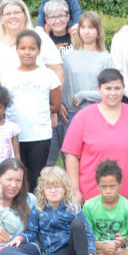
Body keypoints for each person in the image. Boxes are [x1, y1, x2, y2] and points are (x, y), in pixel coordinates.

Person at [62, 68, 128, 223]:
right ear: (98, 89)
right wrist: (75, 190)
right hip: (93, 194)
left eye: (117, 88)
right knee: (95, 244)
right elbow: (71, 155)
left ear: (124, 89)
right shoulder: (83, 117)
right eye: (108, 88)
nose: (113, 93)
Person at [6, 166, 96, 255]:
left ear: (65, 189)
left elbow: (88, 235)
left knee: (78, 224)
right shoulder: (38, 210)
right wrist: (20, 238)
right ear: (43, 190)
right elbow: (31, 232)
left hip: (74, 252)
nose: (53, 191)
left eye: (57, 187)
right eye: (49, 187)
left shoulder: (73, 208)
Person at [49, 11, 115, 166]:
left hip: (97, 114)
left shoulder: (105, 57)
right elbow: (61, 83)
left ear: (98, 31)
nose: (86, 31)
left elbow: (112, 92)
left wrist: (85, 95)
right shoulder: (68, 56)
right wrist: (61, 105)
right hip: (71, 114)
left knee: (94, 159)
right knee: (71, 158)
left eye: (91, 27)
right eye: (83, 27)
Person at [0, 30, 61, 193]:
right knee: (16, 177)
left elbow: (55, 105)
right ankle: (17, 213)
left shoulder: (48, 75)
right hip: (14, 135)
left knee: (35, 178)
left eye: (32, 48)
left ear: (39, 51)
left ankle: (34, 213)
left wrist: (39, 109)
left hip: (40, 135)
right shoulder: (7, 76)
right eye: (23, 48)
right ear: (17, 50)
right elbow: (2, 107)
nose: (27, 52)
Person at [0, 0, 63, 82]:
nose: (12, 16)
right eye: (7, 14)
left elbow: (57, 72)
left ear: (25, 15)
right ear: (1, 17)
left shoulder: (41, 38)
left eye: (17, 12)